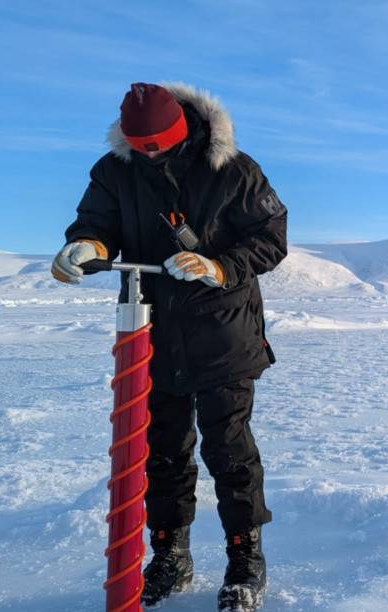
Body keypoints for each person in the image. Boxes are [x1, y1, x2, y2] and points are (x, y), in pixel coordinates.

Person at [52, 82, 287, 612]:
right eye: (142, 145)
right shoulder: (115, 171)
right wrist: (86, 245)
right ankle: (169, 553)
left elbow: (271, 236)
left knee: (228, 449)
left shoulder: (234, 169)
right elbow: (96, 223)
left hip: (222, 332)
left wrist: (220, 266)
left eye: (159, 142)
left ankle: (245, 558)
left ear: (181, 128)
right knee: (161, 450)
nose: (151, 152)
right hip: (149, 332)